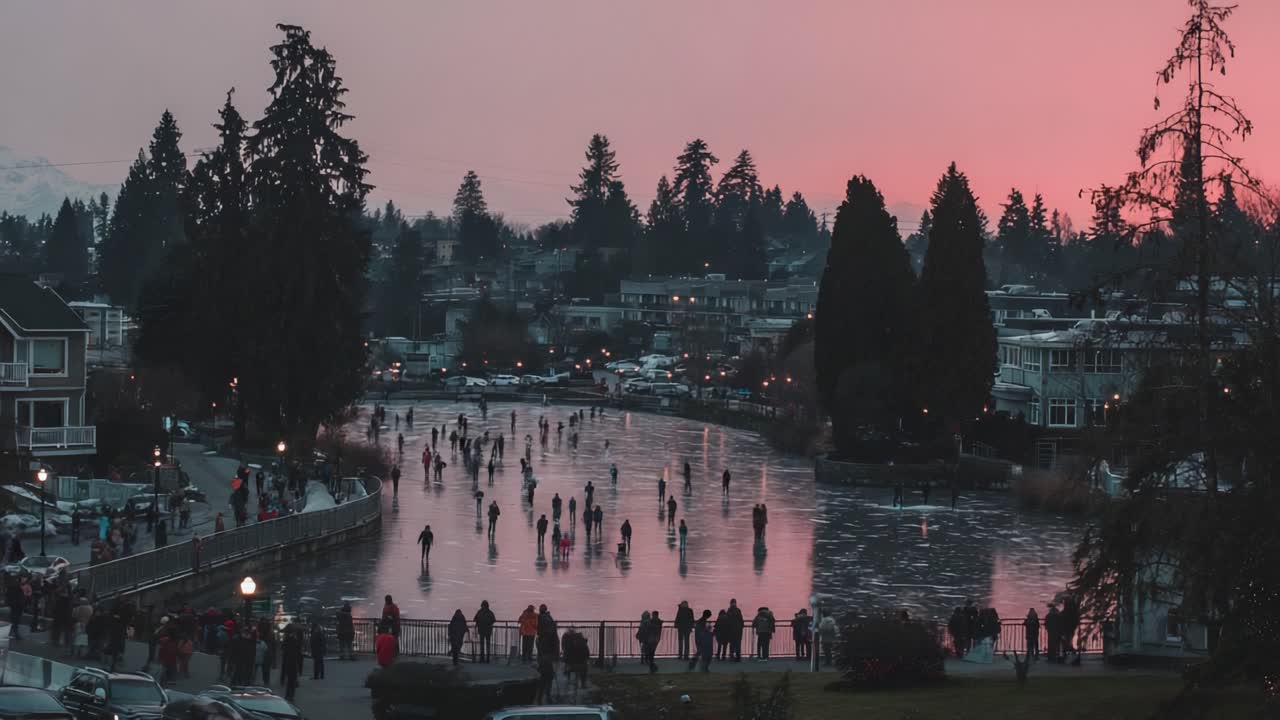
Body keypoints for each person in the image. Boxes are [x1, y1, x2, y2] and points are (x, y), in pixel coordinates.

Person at [281, 627, 302, 701]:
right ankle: (291, 695)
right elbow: (298, 650)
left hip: (288, 661)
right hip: (293, 661)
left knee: (290, 679)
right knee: (292, 680)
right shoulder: (294, 640)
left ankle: (288, 695)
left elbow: (283, 648)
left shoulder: (287, 639)